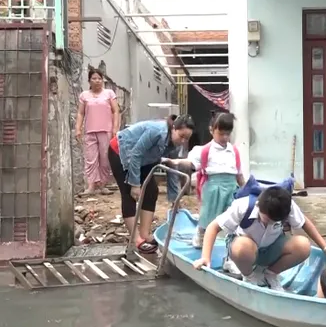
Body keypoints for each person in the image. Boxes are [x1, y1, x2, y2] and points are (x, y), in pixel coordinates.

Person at [193, 186, 326, 291]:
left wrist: (324, 246)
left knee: (303, 245)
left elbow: (304, 223)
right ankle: (249, 276)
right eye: (267, 220)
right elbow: (213, 227)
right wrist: (206, 257)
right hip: (244, 251)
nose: (270, 224)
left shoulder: (287, 205)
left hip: (271, 248)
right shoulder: (243, 205)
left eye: (275, 222)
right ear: (259, 207)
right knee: (243, 246)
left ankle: (270, 274)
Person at [108, 114, 195, 254]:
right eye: (181, 136)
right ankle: (135, 240)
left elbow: (172, 168)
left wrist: (175, 199)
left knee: (151, 191)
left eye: (187, 138)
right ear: (174, 128)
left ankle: (145, 234)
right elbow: (136, 154)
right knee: (129, 192)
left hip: (146, 159)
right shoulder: (157, 131)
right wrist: (135, 184)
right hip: (122, 152)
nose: (183, 140)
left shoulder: (176, 145)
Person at [162, 112, 246, 248]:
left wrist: (246, 190)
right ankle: (200, 236)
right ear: (212, 130)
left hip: (231, 189)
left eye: (227, 133)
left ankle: (231, 252)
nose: (224, 137)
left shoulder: (234, 151)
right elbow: (190, 163)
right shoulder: (205, 150)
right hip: (213, 189)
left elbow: (239, 175)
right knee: (207, 217)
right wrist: (173, 161)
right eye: (221, 133)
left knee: (233, 220)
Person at [75, 68, 120, 196]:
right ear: (89, 80)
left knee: (105, 159)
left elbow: (115, 111)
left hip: (106, 131)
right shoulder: (84, 95)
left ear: (103, 80)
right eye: (94, 78)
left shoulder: (109, 93)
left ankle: (103, 185)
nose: (97, 81)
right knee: (90, 159)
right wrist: (78, 128)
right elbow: (80, 113)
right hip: (90, 131)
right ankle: (91, 186)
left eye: (99, 78)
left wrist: (115, 128)